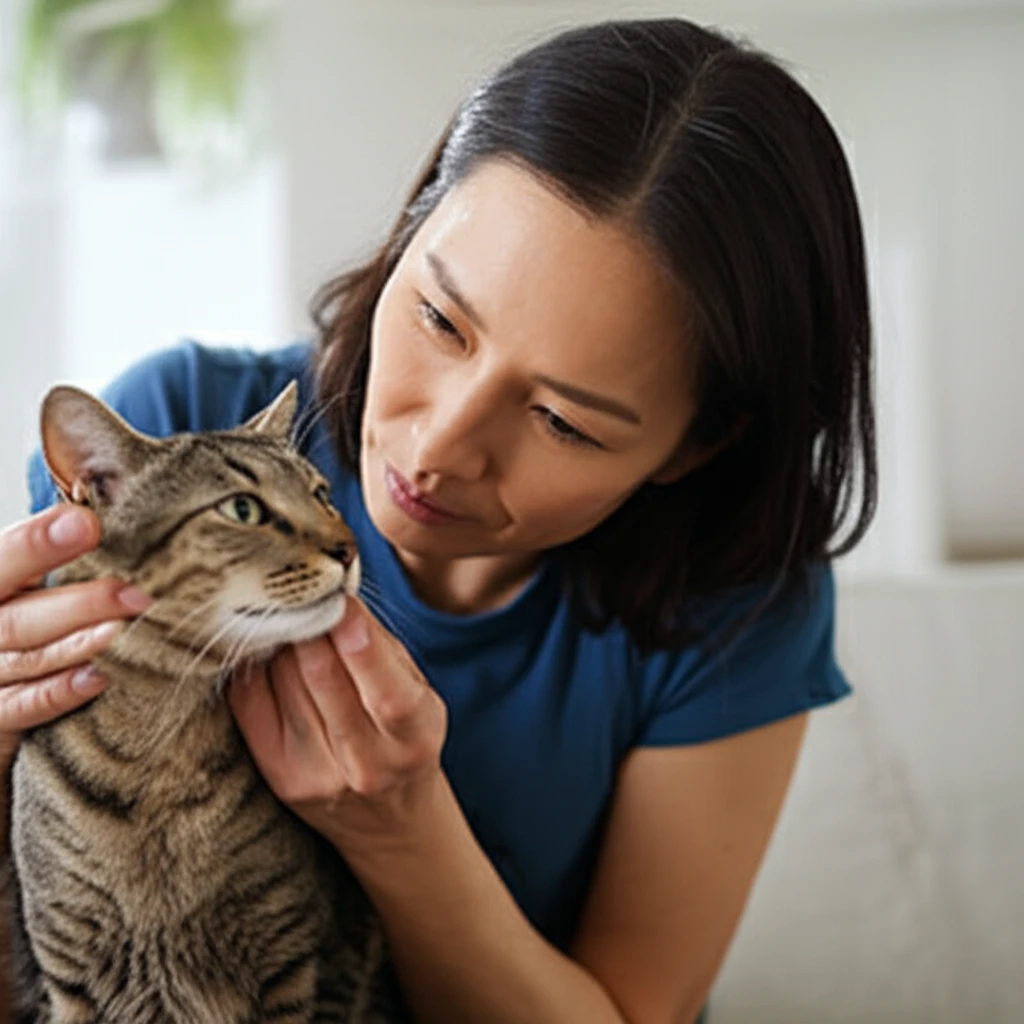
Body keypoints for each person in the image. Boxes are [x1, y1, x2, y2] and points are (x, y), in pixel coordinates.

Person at [0, 17, 875, 1024]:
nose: (437, 448)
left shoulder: (740, 596)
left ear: (694, 447)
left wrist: (403, 831)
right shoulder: (174, 429)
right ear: (411, 228)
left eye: (560, 419)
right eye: (439, 319)